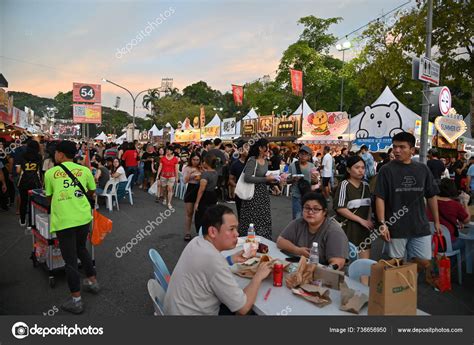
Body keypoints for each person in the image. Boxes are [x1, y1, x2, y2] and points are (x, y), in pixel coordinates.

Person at [164, 205, 272, 315]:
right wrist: (258, 276)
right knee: (252, 312)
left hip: (177, 309)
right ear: (212, 232)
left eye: (236, 228)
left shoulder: (197, 241)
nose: (237, 234)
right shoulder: (214, 261)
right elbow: (243, 307)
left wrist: (231, 259)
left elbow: (208, 271)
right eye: (231, 229)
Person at [375, 132, 440, 281]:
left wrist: (436, 221)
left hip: (420, 227)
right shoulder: (386, 170)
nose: (397, 150)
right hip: (395, 228)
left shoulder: (422, 169)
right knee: (395, 267)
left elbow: (431, 196)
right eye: (394, 147)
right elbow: (380, 198)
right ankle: (396, 296)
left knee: (422, 263)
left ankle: (408, 291)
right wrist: (382, 223)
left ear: (412, 150)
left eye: (402, 147)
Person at [44, 140, 99, 314]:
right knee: (81, 248)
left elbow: (49, 198)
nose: (54, 155)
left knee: (70, 260)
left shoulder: (51, 173)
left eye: (56, 152)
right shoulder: (85, 170)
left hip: (64, 221)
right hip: (83, 217)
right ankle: (92, 282)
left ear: (60, 154)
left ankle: (76, 300)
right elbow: (91, 191)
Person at [276, 192, 348, 270]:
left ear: (324, 212)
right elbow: (280, 241)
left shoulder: (334, 231)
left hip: (325, 275)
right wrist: (298, 250)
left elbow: (337, 263)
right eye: (307, 208)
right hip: (300, 268)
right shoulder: (299, 223)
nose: (310, 212)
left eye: (316, 209)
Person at [333, 156, 373, 272]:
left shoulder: (366, 186)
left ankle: (364, 289)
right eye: (357, 167)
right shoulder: (344, 185)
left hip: (364, 231)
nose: (361, 170)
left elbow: (369, 206)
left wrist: (368, 221)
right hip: (347, 230)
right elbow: (340, 208)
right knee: (345, 267)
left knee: (364, 267)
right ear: (349, 170)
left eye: (363, 167)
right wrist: (361, 220)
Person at [238, 139, 277, 239]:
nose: (268, 149)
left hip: (262, 194)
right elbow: (247, 178)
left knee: (264, 217)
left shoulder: (265, 161)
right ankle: (249, 239)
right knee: (252, 218)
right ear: (260, 148)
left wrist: (273, 183)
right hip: (252, 194)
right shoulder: (252, 160)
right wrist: (265, 179)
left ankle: (263, 239)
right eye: (266, 147)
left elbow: (265, 177)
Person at [427, 178, 468, 251]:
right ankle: (457, 262)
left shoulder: (430, 203)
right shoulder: (455, 205)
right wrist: (465, 203)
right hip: (449, 243)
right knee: (467, 242)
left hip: (432, 242)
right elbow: (466, 220)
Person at [16, 140, 42, 226]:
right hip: (35, 182)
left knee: (23, 202)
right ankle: (31, 223)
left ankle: (22, 221)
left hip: (23, 181)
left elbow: (18, 170)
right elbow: (40, 170)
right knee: (33, 203)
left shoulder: (22, 156)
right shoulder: (39, 157)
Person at [288, 145, 317, 219]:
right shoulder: (292, 166)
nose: (303, 156)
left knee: (307, 217)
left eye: (305, 154)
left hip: (308, 195)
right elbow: (288, 181)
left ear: (309, 156)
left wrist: (315, 179)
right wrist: (293, 180)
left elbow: (315, 182)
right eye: (301, 154)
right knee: (297, 218)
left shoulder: (312, 166)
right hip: (296, 195)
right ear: (298, 155)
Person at [194, 154, 218, 233]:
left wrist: (197, 202)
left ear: (207, 163)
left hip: (205, 196)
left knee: (201, 216)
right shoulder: (215, 172)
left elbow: (201, 189)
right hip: (213, 194)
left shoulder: (205, 174)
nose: (203, 162)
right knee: (211, 215)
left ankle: (202, 233)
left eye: (204, 161)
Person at [183, 152, 202, 241]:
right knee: (189, 212)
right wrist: (191, 173)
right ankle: (187, 232)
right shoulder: (187, 168)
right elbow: (184, 181)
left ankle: (201, 232)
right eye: (194, 159)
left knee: (200, 213)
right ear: (191, 159)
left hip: (200, 189)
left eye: (197, 160)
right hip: (191, 189)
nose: (195, 161)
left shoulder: (202, 167)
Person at [229, 141, 247, 219]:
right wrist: (237, 186)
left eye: (248, 147)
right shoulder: (235, 164)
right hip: (240, 194)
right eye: (245, 148)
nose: (248, 149)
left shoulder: (253, 163)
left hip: (252, 193)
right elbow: (231, 180)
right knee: (241, 215)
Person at [157, 146, 179, 210]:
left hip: (172, 176)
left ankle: (169, 203)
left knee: (169, 189)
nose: (167, 151)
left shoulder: (175, 159)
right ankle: (164, 198)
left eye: (169, 150)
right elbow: (160, 167)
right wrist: (158, 174)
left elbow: (176, 169)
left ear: (172, 151)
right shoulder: (163, 158)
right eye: (167, 150)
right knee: (164, 189)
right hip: (163, 176)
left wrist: (177, 177)